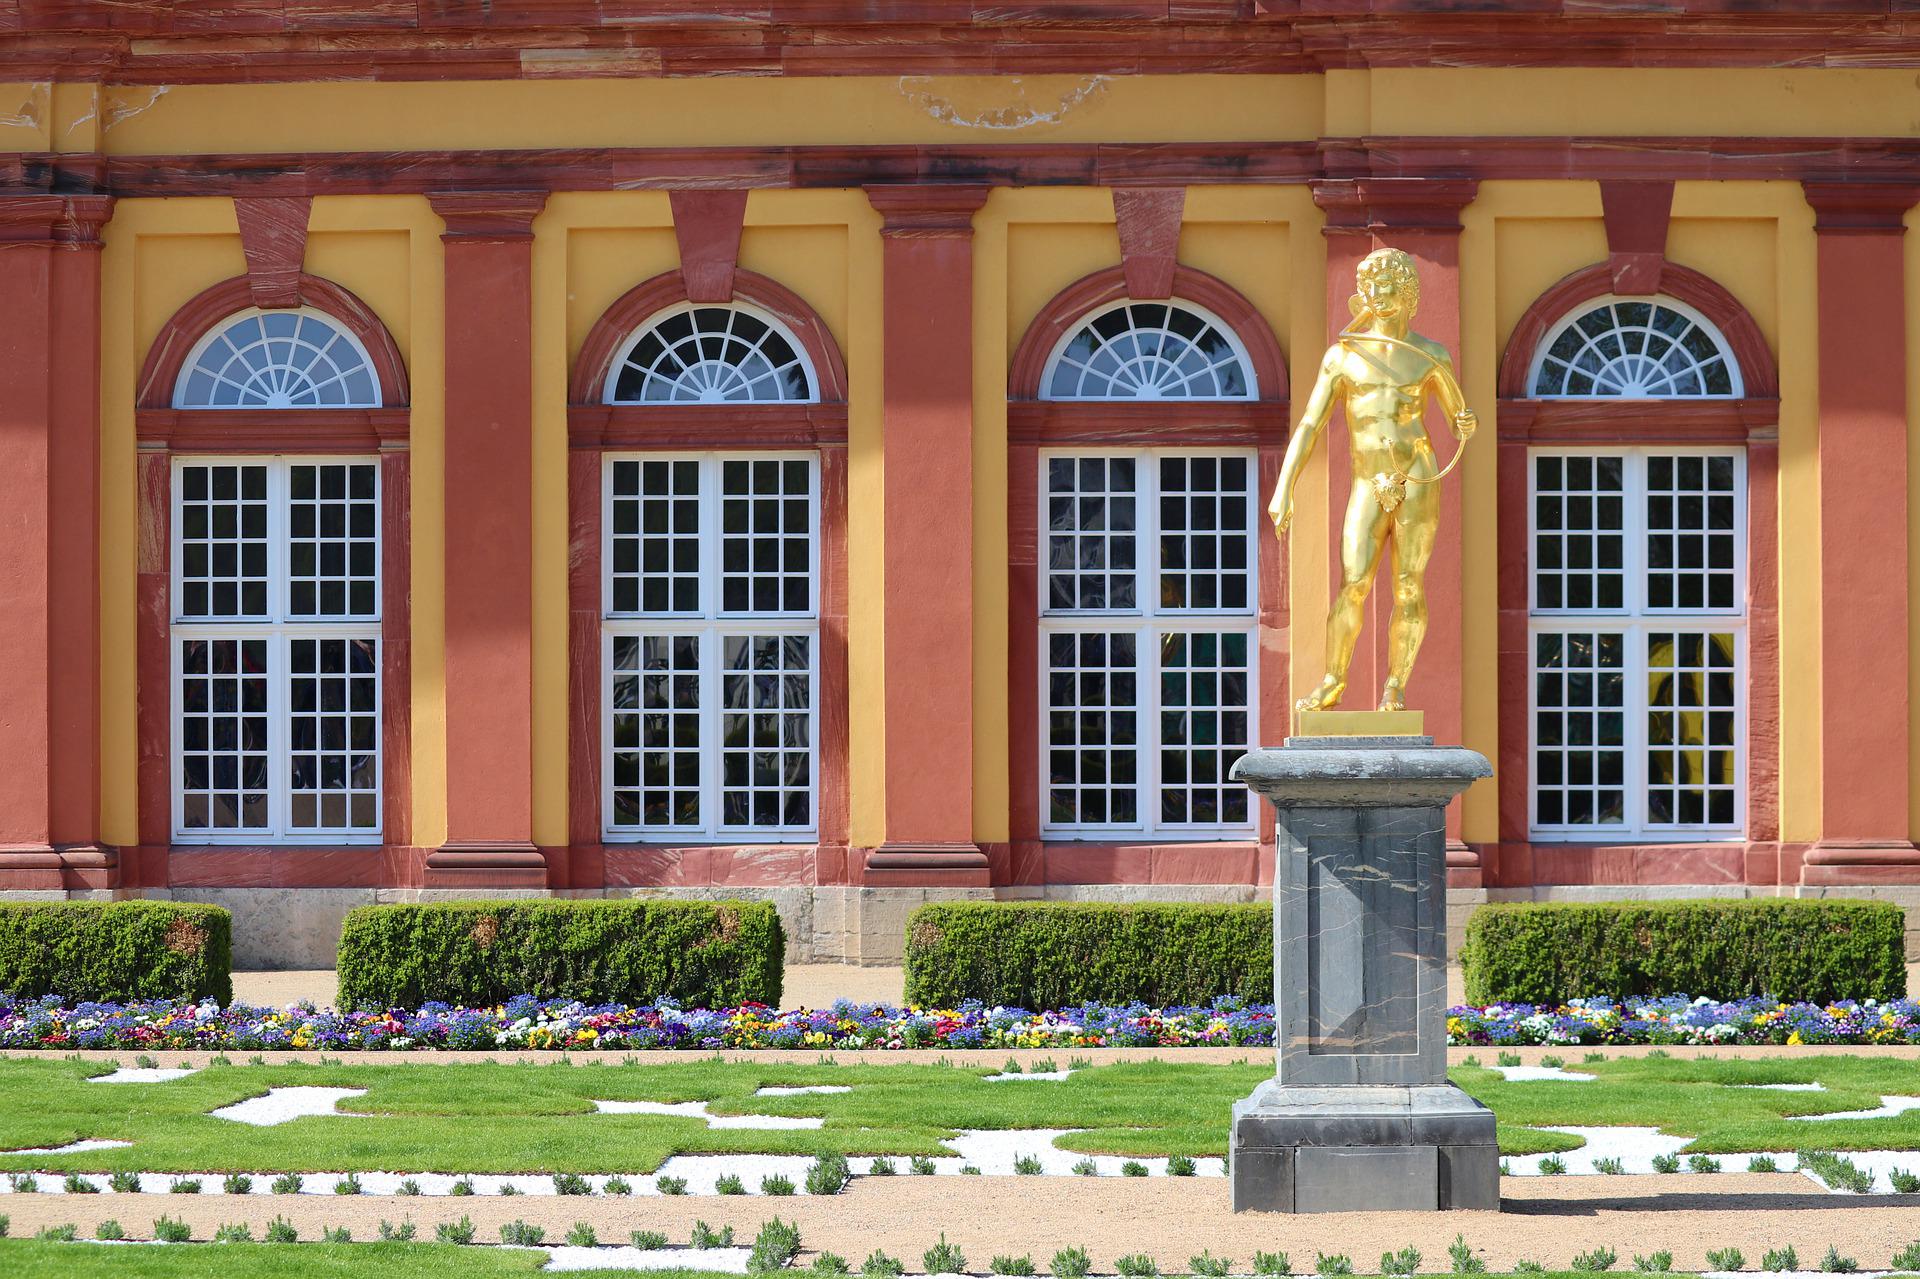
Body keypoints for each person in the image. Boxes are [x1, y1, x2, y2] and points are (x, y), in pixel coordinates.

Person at [1269, 247, 1476, 713]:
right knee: (1354, 582)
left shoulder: (1429, 354)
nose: (1378, 295)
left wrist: (1467, 424)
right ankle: (1332, 680)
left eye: (1388, 286)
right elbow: (1309, 424)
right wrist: (1285, 487)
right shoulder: (1343, 356)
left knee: (1408, 585)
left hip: (1417, 477)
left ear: (1406, 293)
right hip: (1368, 480)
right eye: (1371, 286)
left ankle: (1395, 686)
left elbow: (1459, 417)